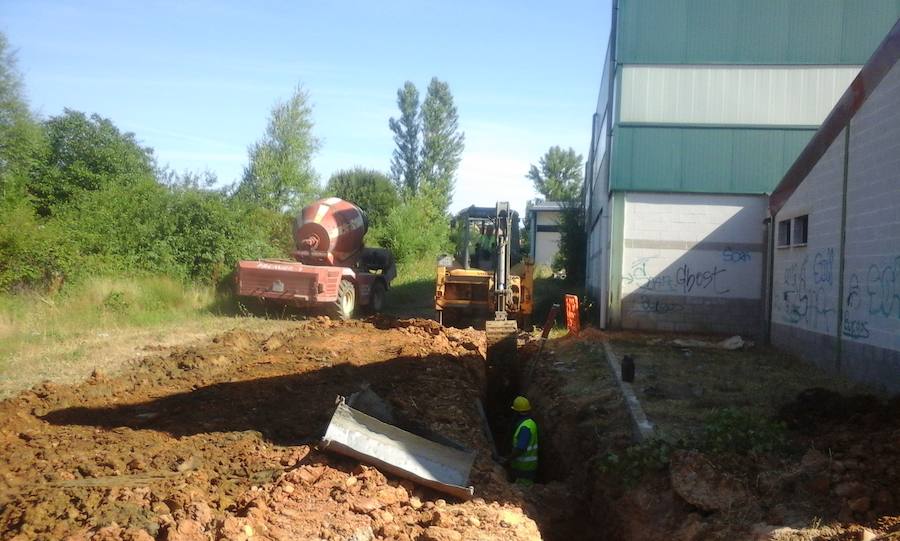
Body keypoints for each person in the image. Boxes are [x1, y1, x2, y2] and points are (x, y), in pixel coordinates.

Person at [505, 395, 538, 486]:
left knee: (522, 491)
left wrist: (507, 459)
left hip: (524, 470)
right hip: (526, 467)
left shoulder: (525, 428)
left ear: (517, 412)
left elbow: (520, 449)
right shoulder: (530, 423)